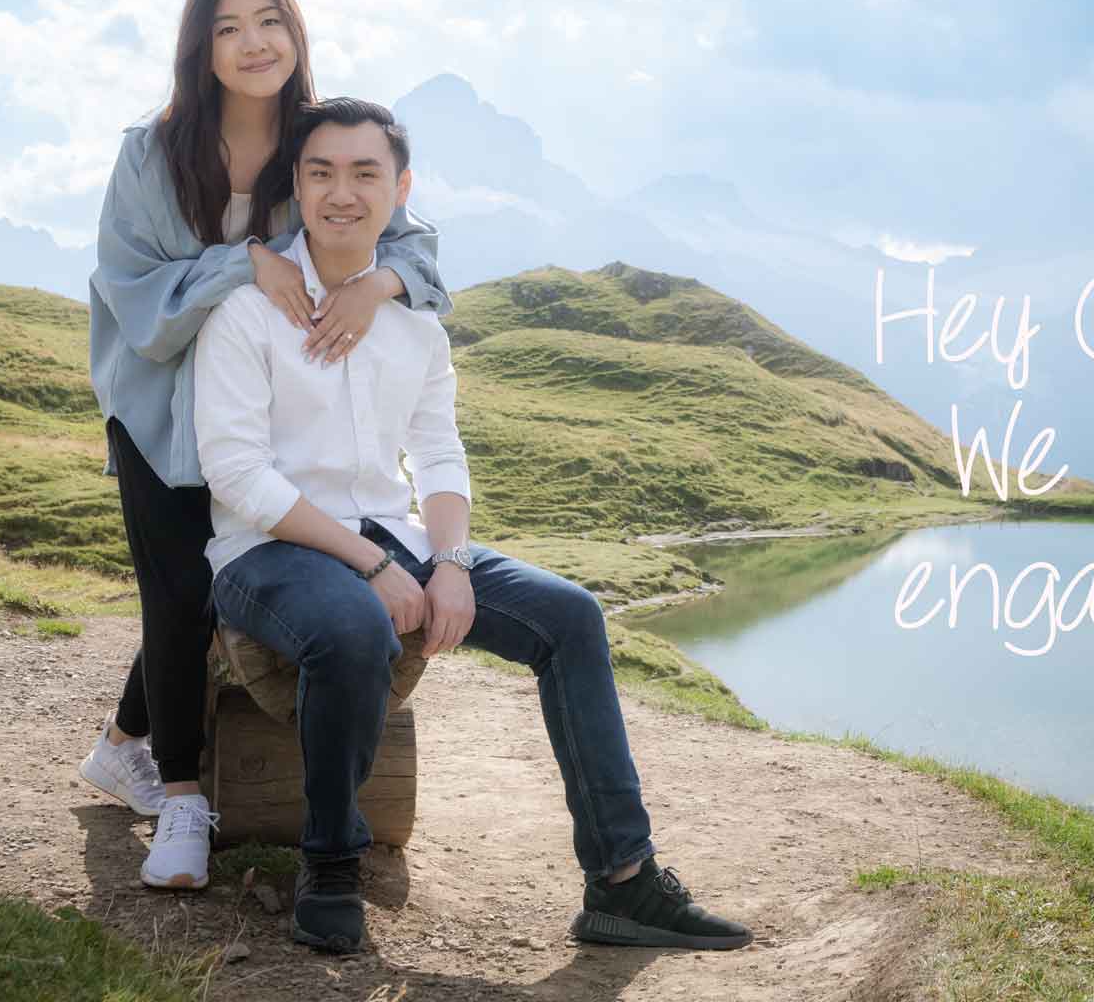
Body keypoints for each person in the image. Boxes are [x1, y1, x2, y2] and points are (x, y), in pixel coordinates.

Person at [191, 97, 753, 955]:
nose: (343, 193)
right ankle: (331, 861)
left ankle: (622, 881)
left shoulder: (415, 326)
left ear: (400, 187)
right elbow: (237, 475)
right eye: (321, 173)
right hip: (267, 550)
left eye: (365, 173)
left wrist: (447, 562)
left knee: (570, 616)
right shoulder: (244, 311)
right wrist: (373, 571)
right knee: (349, 629)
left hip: (395, 534)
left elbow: (439, 457)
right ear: (295, 188)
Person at [76, 0, 451, 891]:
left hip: (268, 403)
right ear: (200, 48)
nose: (254, 44)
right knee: (174, 591)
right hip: (162, 405)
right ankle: (181, 799)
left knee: (220, 583)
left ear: (297, 33)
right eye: (230, 27)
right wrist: (248, 262)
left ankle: (121, 742)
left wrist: (380, 283)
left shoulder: (313, 141)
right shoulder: (151, 153)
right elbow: (133, 294)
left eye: (270, 21)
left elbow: (412, 235)